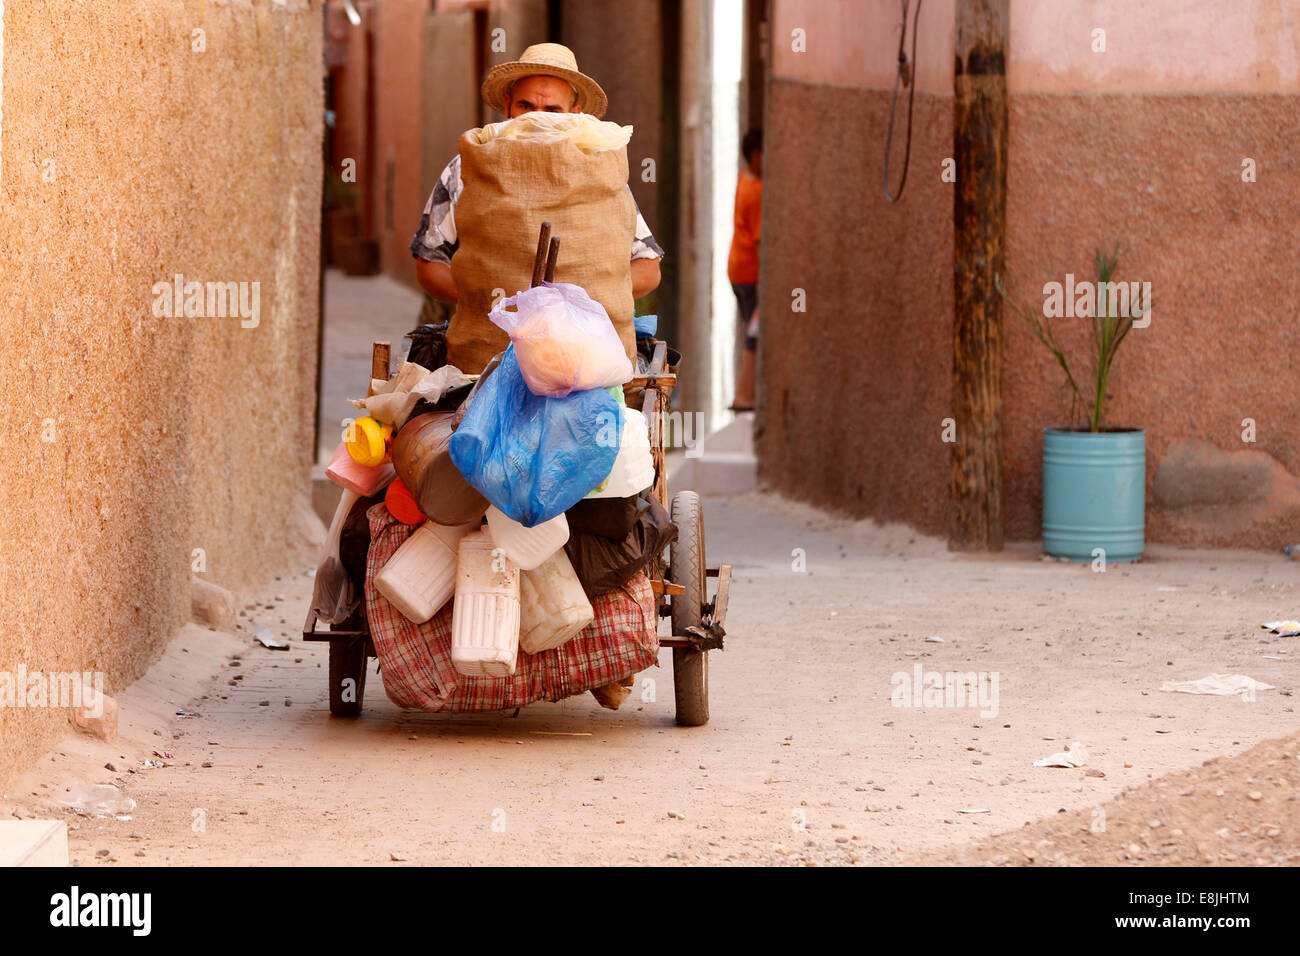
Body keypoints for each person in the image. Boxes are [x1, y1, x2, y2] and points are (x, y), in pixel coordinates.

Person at [410, 43, 663, 309]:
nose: (537, 120)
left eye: (553, 111)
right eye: (526, 106)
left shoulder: (598, 171)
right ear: (508, 107)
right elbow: (429, 262)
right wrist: (491, 305)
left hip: (579, 338)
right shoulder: (467, 169)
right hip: (489, 334)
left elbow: (647, 265)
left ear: (574, 115)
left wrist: (584, 299)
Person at [727, 128, 762, 412]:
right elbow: (761, 241)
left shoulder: (744, 178)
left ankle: (746, 392)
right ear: (756, 155)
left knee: (752, 327)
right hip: (752, 274)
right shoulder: (758, 191)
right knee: (755, 331)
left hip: (737, 270)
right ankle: (745, 395)